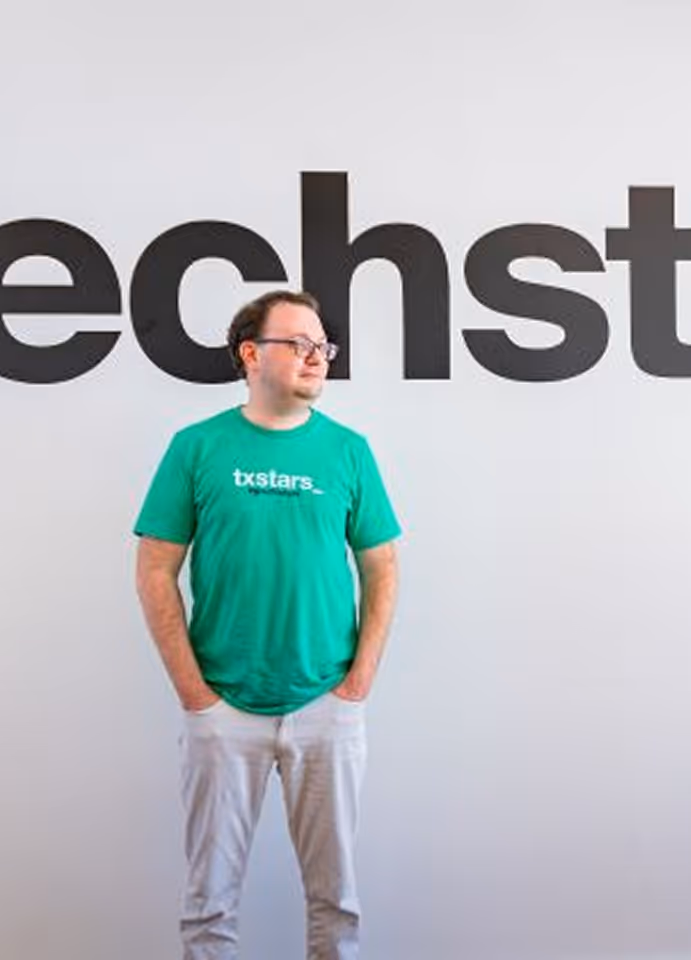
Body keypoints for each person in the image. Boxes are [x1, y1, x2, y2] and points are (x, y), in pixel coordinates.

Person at [133, 289, 401, 960]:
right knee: (209, 906)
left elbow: (383, 566)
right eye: (300, 344)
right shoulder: (197, 448)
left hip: (326, 704)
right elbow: (154, 569)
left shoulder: (348, 451)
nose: (317, 357)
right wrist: (195, 693)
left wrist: (359, 681)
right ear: (251, 354)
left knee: (336, 903)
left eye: (324, 347)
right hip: (223, 706)